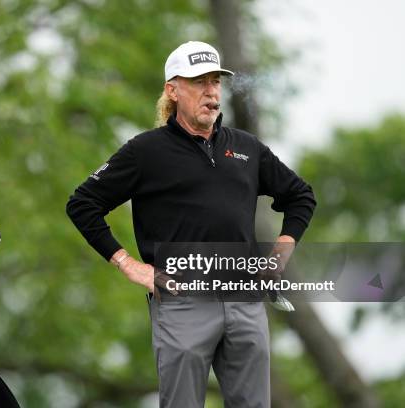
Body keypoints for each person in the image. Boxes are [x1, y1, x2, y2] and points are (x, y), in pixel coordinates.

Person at [65, 41, 316, 408]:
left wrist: (279, 255)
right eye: (199, 82)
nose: (211, 91)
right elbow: (83, 203)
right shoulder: (145, 152)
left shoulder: (246, 148)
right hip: (182, 302)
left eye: (215, 81)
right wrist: (131, 266)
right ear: (173, 90)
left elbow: (301, 196)